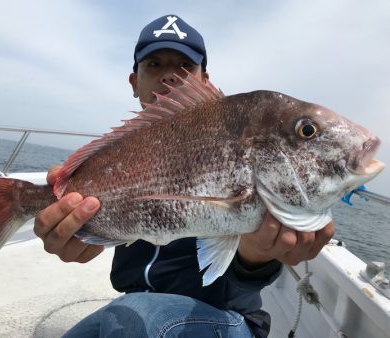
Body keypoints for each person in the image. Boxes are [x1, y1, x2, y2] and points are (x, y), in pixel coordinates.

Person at [34, 15, 335, 338]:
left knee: (136, 320)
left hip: (228, 318)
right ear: (135, 82)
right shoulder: (124, 158)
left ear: (203, 80)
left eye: (184, 67)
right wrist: (79, 235)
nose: (168, 77)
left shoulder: (236, 142)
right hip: (133, 307)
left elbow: (237, 292)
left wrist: (256, 258)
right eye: (154, 64)